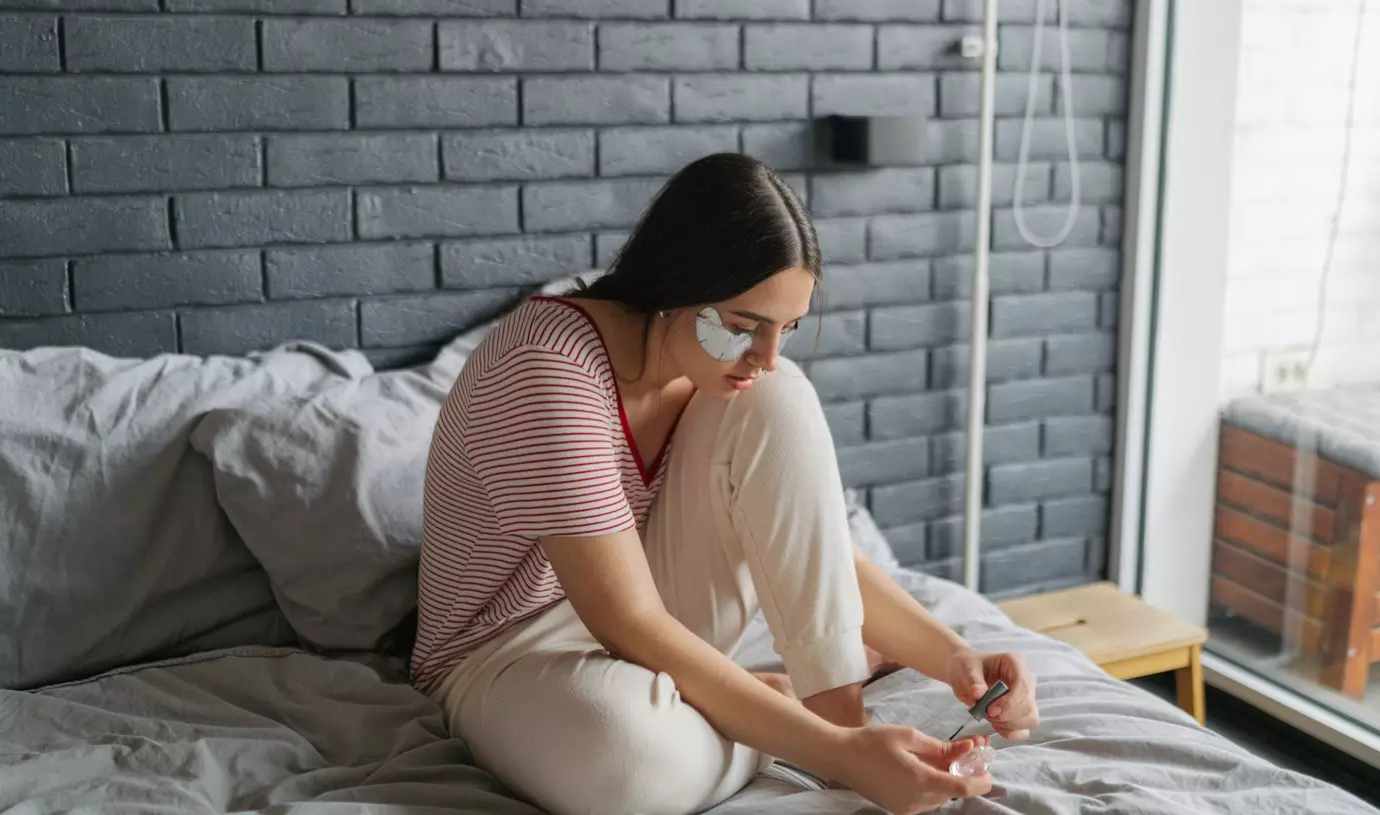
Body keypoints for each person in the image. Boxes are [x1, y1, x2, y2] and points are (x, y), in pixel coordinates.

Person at [412, 153, 1039, 815]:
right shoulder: (549, 369)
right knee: (627, 769)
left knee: (782, 397)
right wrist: (825, 747)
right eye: (743, 328)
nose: (766, 355)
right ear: (676, 288)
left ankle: (841, 720)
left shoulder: (716, 369)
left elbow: (810, 546)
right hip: (506, 649)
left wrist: (957, 658)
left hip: (653, 607)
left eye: (787, 329)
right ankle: (796, 725)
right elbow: (626, 621)